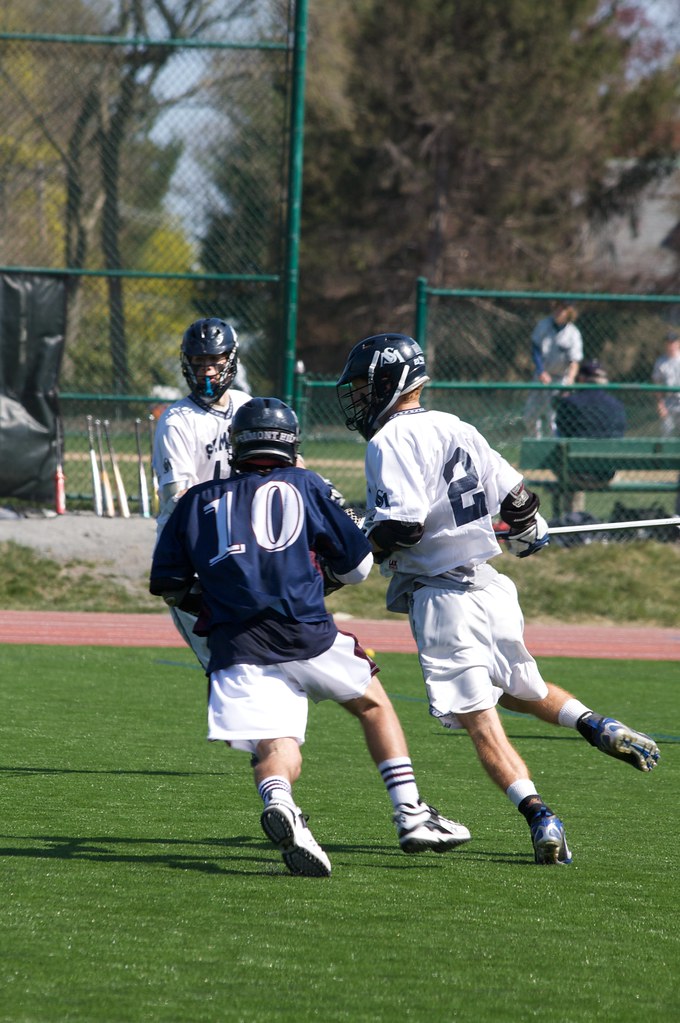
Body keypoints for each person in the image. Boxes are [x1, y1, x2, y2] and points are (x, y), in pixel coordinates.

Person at [336, 333, 660, 866]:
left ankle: (540, 816)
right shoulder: (458, 425)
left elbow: (404, 527)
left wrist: (355, 547)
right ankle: (595, 724)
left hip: (443, 596)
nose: (359, 399)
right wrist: (529, 531)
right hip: (491, 586)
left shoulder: (389, 441)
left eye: (363, 387)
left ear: (388, 382)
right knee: (513, 687)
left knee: (480, 720)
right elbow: (520, 500)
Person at [150, 396, 471, 877]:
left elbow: (168, 585)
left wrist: (215, 597)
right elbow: (360, 568)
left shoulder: (198, 500)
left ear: (236, 444)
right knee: (374, 705)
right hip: (304, 630)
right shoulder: (306, 484)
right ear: (291, 444)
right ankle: (411, 813)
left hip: (234, 644)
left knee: (277, 745)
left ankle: (281, 802)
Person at [152, 318, 252, 669]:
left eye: (214, 360)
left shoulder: (247, 406)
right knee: (223, 662)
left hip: (239, 548)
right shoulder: (177, 420)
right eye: (198, 362)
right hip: (192, 553)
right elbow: (178, 499)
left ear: (230, 359)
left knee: (251, 658)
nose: (206, 370)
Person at [554, 359, 627, 512]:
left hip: (575, 473)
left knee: (566, 458)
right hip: (606, 473)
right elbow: (620, 434)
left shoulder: (570, 403)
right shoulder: (617, 405)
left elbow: (561, 432)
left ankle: (571, 519)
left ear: (581, 378)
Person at [525, 300, 583, 438]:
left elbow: (574, 361)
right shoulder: (544, 325)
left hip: (560, 379)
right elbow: (536, 349)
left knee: (553, 420)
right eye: (556, 308)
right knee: (529, 416)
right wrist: (540, 371)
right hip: (541, 377)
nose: (558, 312)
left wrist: (569, 380)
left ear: (569, 312)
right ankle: (536, 445)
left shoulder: (573, 333)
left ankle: (553, 454)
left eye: (562, 309)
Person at [651, 330, 680, 437]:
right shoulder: (661, 361)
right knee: (666, 434)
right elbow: (657, 384)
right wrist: (660, 404)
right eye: (668, 342)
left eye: (673, 342)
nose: (670, 345)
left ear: (678, 343)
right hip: (669, 402)